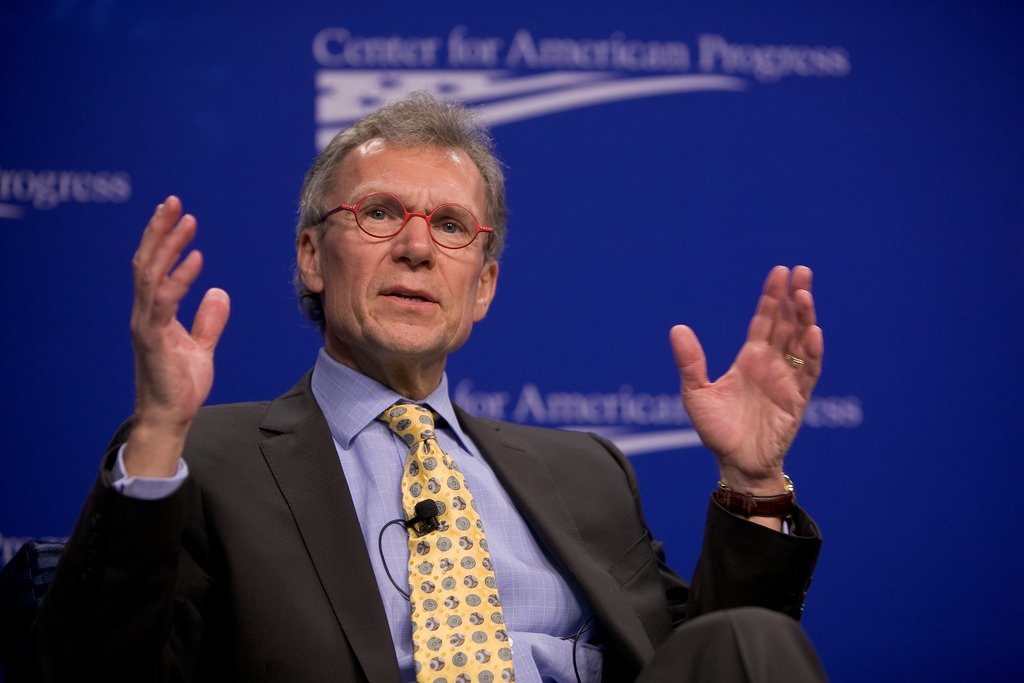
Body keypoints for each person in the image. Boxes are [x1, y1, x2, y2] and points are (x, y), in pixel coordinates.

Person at [25, 93, 826, 682]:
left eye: (450, 225)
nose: (416, 247)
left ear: (483, 286)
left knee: (754, 640)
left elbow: (707, 662)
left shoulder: (588, 473)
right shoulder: (209, 462)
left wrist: (752, 482)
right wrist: (158, 431)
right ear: (312, 256)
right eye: (380, 212)